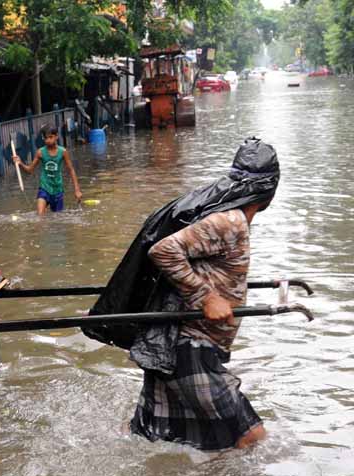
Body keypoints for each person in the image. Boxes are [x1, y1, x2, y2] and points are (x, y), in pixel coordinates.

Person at [81, 137, 280, 451]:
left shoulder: (226, 215)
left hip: (173, 345)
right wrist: (207, 297)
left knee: (151, 437)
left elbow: (207, 266)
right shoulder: (231, 221)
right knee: (250, 437)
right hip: (188, 348)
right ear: (270, 191)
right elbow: (164, 251)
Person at [12, 125, 82, 214]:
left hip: (57, 189)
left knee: (58, 218)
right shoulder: (40, 152)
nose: (48, 140)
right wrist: (20, 163)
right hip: (44, 188)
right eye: (46, 138)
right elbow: (30, 170)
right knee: (40, 215)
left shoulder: (63, 152)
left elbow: (71, 170)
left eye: (51, 137)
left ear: (56, 136)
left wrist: (77, 190)